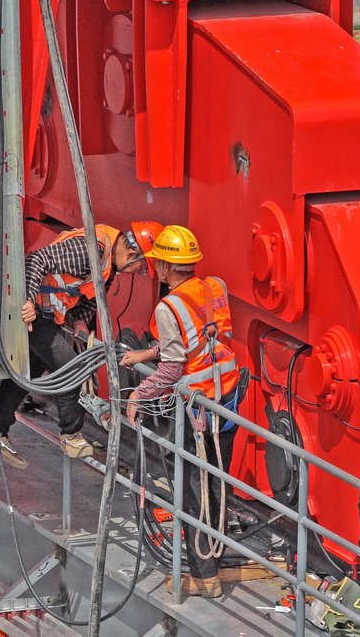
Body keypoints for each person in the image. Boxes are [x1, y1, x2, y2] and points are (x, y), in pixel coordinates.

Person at [0, 221, 163, 467]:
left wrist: (81, 322)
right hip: (35, 316)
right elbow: (37, 260)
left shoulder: (109, 264)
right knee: (71, 370)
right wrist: (29, 301)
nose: (138, 272)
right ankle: (71, 435)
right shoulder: (90, 251)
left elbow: (90, 295)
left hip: (46, 315)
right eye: (141, 267)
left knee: (27, 373)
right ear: (132, 254)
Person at [120, 224, 240, 599]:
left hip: (197, 408)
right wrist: (148, 352)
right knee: (217, 480)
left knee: (192, 487)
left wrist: (138, 395)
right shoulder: (214, 286)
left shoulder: (168, 306)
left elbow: (174, 369)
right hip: (229, 397)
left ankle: (205, 574)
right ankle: (217, 556)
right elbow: (200, 339)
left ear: (163, 267)